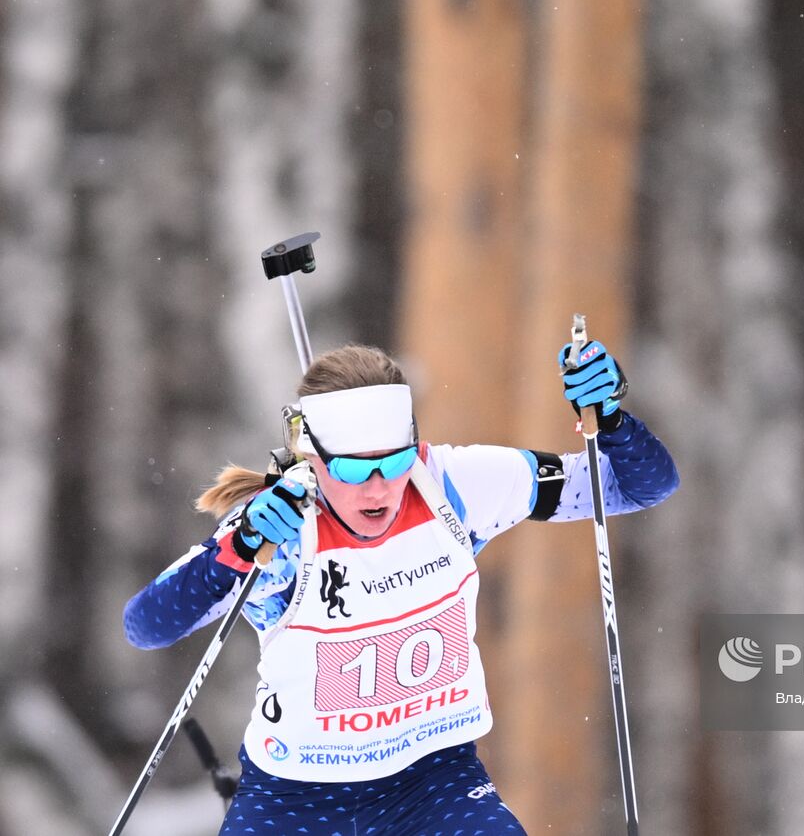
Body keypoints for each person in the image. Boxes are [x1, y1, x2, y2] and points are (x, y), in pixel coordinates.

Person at [123, 339, 678, 835]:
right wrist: (238, 551)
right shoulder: (280, 527)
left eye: (394, 461)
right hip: (294, 798)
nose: (378, 488)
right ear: (311, 460)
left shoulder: (455, 484)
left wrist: (610, 421)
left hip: (433, 782)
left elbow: (638, 488)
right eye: (354, 469)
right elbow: (145, 626)